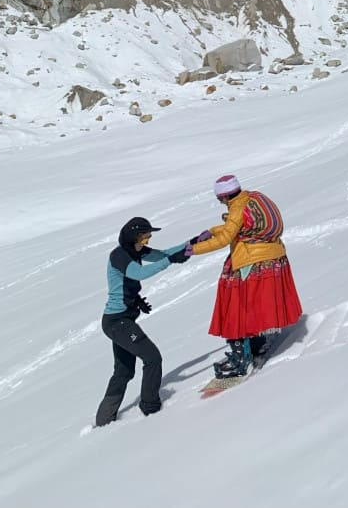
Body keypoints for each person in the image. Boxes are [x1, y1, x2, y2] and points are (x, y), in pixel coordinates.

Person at [191, 175, 303, 379]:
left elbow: (226, 238)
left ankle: (241, 359)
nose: (220, 203)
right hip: (273, 256)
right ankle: (258, 344)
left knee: (236, 308)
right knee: (254, 305)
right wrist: (211, 230)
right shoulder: (252, 198)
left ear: (225, 196)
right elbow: (236, 227)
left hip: (251, 261)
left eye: (219, 199)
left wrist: (193, 250)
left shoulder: (236, 207)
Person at [95, 217, 192, 427]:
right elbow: (139, 272)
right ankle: (150, 408)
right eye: (145, 237)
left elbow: (164, 253)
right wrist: (171, 261)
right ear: (133, 237)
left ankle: (103, 422)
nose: (148, 241)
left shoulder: (137, 250)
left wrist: (192, 244)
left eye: (149, 238)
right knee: (152, 358)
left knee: (123, 371)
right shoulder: (119, 255)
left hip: (124, 318)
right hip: (117, 322)